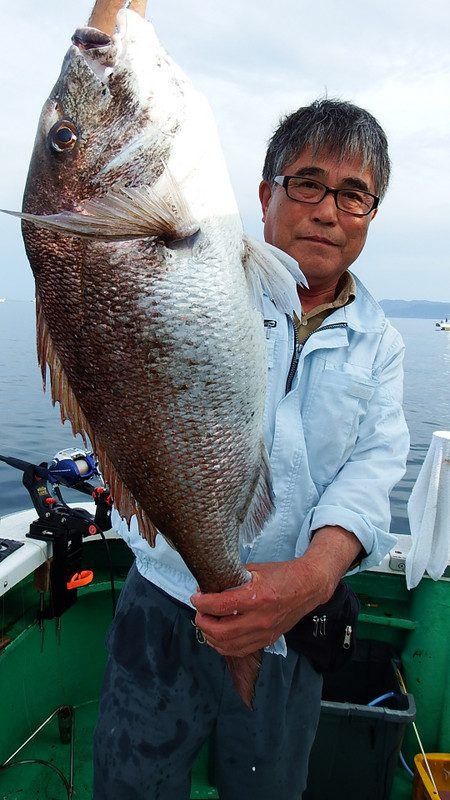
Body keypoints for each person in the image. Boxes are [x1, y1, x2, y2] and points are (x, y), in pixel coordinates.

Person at [90, 2, 410, 798]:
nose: (328, 209)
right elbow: (104, 227)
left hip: (293, 616)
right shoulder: (206, 274)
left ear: (371, 218)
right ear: (263, 194)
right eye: (307, 182)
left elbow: (375, 469)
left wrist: (311, 577)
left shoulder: (381, 341)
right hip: (165, 598)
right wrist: (110, 27)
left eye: (354, 194)